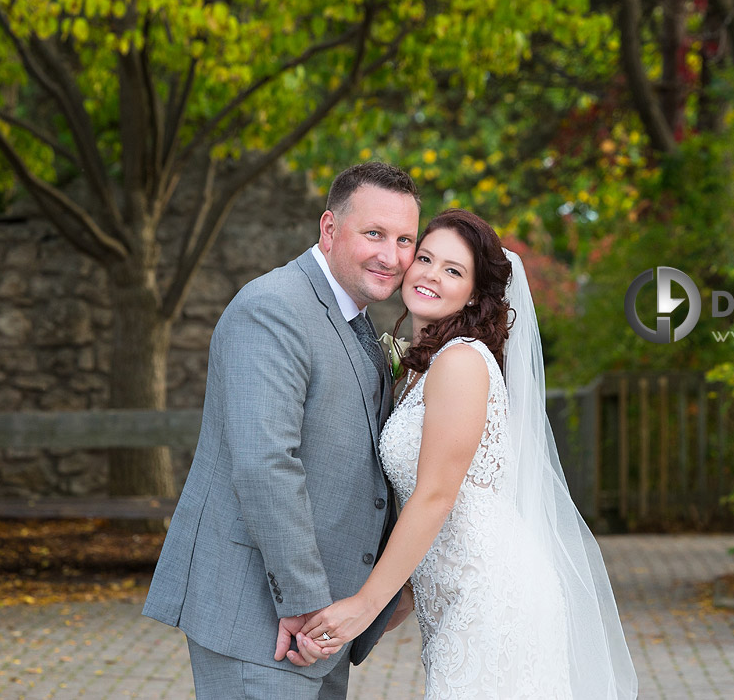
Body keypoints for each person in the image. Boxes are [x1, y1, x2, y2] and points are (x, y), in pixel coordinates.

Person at [294, 209, 639, 699]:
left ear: (476, 293)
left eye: (453, 270)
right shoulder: (419, 366)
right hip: (450, 597)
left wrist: (364, 607)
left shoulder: (459, 362)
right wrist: (403, 597)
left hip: (492, 596)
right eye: (426, 258)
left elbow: (436, 496)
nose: (432, 275)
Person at [142, 162, 421, 699]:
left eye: (405, 239)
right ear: (329, 228)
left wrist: (379, 592)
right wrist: (305, 603)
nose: (392, 256)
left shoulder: (354, 316)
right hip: (264, 620)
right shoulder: (272, 309)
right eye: (374, 234)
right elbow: (266, 463)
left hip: (324, 625)